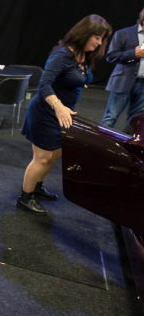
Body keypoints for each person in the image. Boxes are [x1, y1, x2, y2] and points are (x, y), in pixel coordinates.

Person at [17, 14, 112, 215]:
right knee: (42, 158)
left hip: (62, 115)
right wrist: (58, 106)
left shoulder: (83, 55)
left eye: (102, 38)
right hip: (45, 113)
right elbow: (44, 85)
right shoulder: (62, 55)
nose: (99, 42)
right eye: (96, 37)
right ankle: (25, 198)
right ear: (84, 33)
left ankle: (37, 186)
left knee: (53, 156)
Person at [100, 7, 144, 129]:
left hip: (143, 86)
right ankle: (102, 145)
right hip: (123, 81)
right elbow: (111, 56)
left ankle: (128, 147)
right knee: (111, 117)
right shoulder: (123, 33)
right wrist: (133, 54)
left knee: (136, 121)